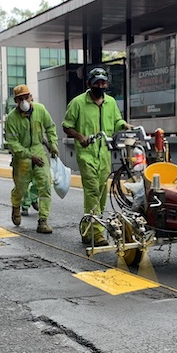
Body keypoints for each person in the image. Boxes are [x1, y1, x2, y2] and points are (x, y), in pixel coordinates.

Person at [62, 67, 131, 246]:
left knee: (101, 193)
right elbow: (66, 126)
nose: (101, 86)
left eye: (103, 82)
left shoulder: (111, 102)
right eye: (97, 83)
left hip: (104, 154)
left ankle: (87, 228)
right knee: (92, 191)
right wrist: (80, 137)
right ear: (89, 84)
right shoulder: (78, 103)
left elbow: (116, 121)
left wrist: (124, 125)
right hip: (87, 154)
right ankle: (97, 233)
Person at [4, 84, 58, 233]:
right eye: (20, 99)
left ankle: (43, 221)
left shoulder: (40, 110)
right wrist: (29, 156)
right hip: (22, 158)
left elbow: (50, 127)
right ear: (16, 101)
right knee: (21, 188)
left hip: (39, 152)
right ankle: (16, 205)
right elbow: (13, 143)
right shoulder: (11, 119)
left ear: (31, 97)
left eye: (26, 97)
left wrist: (53, 145)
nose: (24, 101)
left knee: (46, 185)